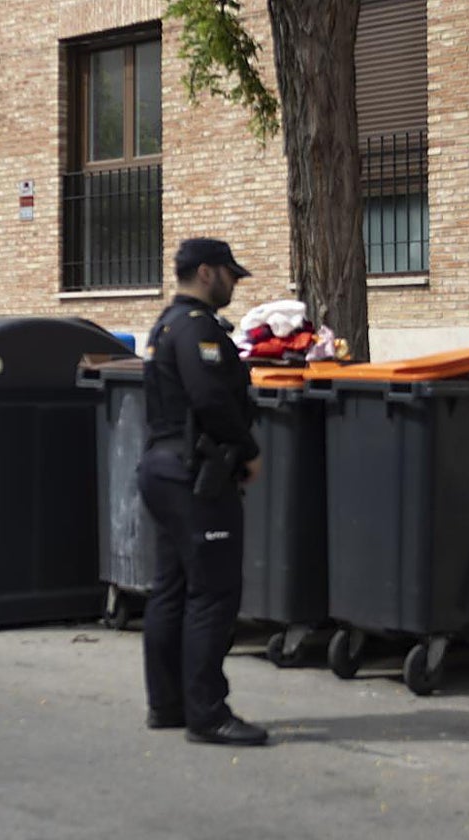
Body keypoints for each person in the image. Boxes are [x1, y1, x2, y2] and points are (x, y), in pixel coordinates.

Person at [137, 237, 267, 746]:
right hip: (193, 473)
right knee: (213, 593)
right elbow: (210, 397)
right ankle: (207, 714)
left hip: (163, 468)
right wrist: (247, 449)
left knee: (171, 588)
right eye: (231, 274)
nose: (234, 283)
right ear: (208, 273)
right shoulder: (197, 328)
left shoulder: (166, 324)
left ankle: (168, 704)